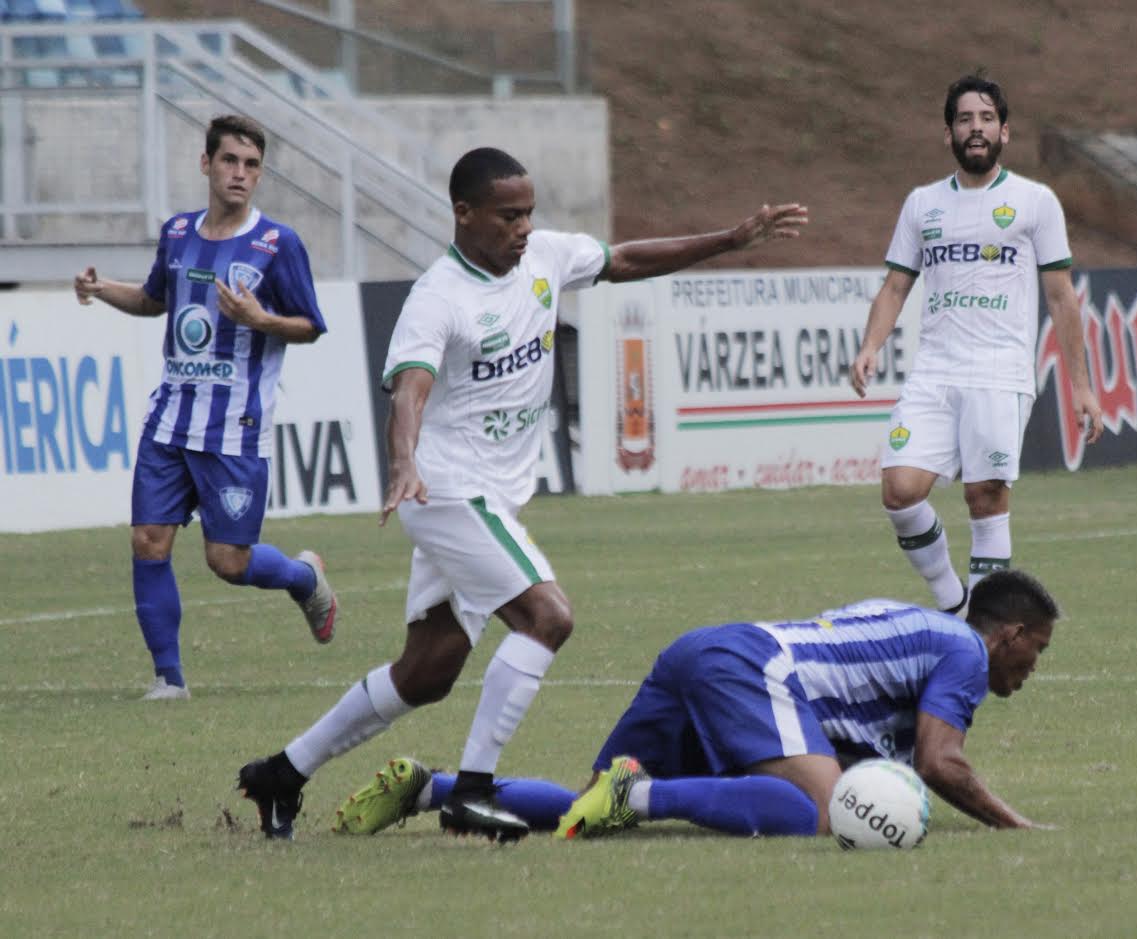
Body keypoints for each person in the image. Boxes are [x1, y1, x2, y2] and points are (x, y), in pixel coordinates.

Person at [236, 146, 810, 841]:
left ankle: (281, 774)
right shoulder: (438, 297)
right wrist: (403, 462)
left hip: (486, 498)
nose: (523, 227)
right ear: (464, 213)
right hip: (445, 489)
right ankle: (471, 790)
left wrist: (729, 239)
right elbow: (410, 387)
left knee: (427, 671)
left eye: (529, 212)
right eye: (509, 215)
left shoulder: (544, 259)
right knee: (549, 616)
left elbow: (624, 258)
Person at [331, 568, 1060, 839]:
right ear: (1013, 634)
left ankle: (430, 787)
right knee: (816, 809)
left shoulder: (917, 630)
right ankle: (641, 795)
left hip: (704, 653)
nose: (1034, 667)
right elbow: (940, 761)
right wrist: (1014, 824)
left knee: (587, 806)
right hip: (752, 666)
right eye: (1039, 649)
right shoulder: (963, 651)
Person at [73, 114, 337, 702]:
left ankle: (303, 577)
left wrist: (261, 321)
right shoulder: (176, 233)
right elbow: (152, 301)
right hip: (170, 419)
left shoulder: (277, 244)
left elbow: (311, 326)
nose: (240, 174)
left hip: (235, 429)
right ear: (206, 164)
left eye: (251, 165)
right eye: (229, 161)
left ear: (259, 174)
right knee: (148, 541)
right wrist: (99, 289)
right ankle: (169, 679)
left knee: (228, 561)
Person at [849, 73, 1103, 616]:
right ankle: (953, 605)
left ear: (1005, 132)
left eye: (987, 118)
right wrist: (871, 344)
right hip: (934, 372)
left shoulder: (1035, 202)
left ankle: (981, 631)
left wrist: (1081, 388)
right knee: (899, 489)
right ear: (949, 134)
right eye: (965, 119)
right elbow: (896, 286)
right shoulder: (922, 205)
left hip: (999, 372)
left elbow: (1061, 299)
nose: (976, 128)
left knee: (984, 497)